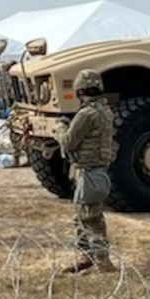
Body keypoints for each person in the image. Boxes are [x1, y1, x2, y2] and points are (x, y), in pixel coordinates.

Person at [54, 69, 115, 273]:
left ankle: (102, 260)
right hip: (96, 171)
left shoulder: (87, 114)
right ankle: (85, 256)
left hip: (89, 172)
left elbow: (69, 142)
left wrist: (60, 127)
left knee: (90, 218)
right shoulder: (105, 111)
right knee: (82, 216)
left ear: (80, 91)